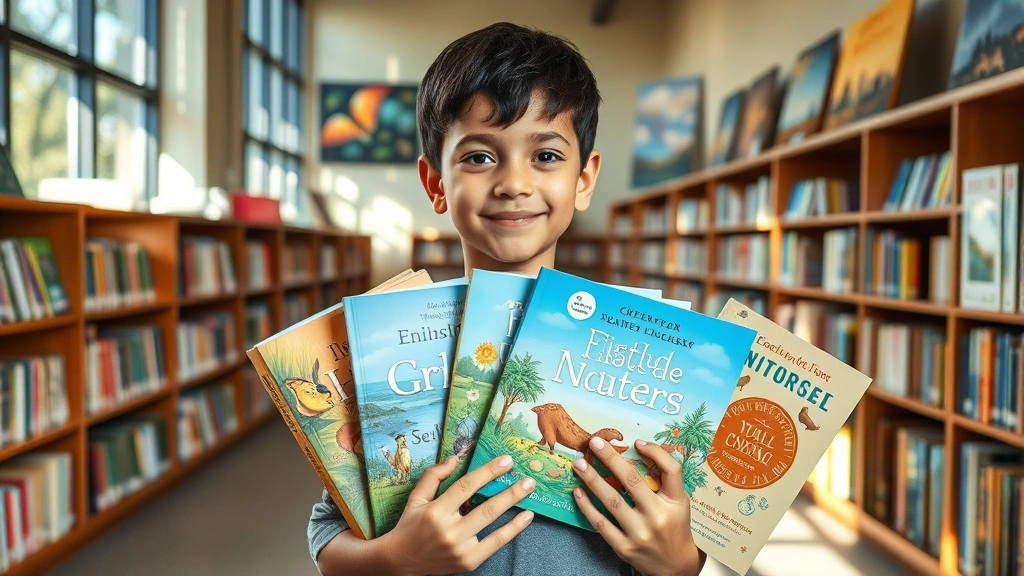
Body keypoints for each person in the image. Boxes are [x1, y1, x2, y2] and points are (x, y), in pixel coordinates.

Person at [308, 22, 708, 576]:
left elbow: (686, 535)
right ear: (435, 184)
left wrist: (683, 564)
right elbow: (330, 534)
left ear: (584, 180)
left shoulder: (646, 352)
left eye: (545, 156)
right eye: (478, 157)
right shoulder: (393, 346)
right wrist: (394, 559)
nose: (513, 183)